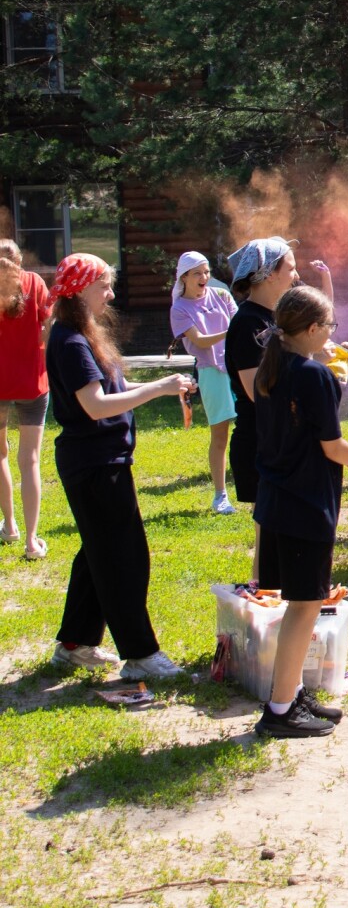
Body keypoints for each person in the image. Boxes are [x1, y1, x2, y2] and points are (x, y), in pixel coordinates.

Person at [44, 253, 194, 679]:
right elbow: (95, 406)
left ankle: (74, 645)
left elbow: (115, 386)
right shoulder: (71, 341)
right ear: (80, 290)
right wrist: (159, 388)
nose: (110, 294)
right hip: (95, 464)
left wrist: (163, 388)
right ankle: (141, 655)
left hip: (99, 460)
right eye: (104, 286)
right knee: (123, 558)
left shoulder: (80, 334)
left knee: (98, 553)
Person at [251, 286, 348, 737]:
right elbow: (332, 446)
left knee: (301, 603)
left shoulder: (274, 368)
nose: (333, 333)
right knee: (305, 606)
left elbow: (304, 422)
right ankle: (280, 710)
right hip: (305, 503)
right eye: (329, 326)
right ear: (312, 329)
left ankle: (291, 693)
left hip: (278, 498)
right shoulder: (311, 375)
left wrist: (333, 372)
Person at [224, 238, 302, 579]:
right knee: (269, 531)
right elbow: (258, 390)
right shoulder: (248, 323)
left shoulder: (274, 318)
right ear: (269, 274)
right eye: (291, 268)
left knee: (280, 528)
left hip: (280, 436)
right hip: (260, 440)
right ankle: (264, 594)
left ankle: (270, 591)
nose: (296, 275)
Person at [169, 251, 240, 514]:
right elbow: (199, 340)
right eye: (197, 273)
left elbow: (239, 320)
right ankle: (220, 496)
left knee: (252, 427)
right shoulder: (179, 309)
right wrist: (233, 330)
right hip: (211, 372)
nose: (204, 277)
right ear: (184, 277)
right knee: (220, 435)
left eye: (206, 272)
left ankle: (257, 486)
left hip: (237, 367)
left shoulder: (221, 295)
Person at [0, 240, 52, 559]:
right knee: (29, 460)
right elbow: (48, 326)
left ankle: (9, 526)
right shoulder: (35, 282)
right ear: (19, 260)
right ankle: (31, 541)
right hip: (33, 382)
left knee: (0, 455)